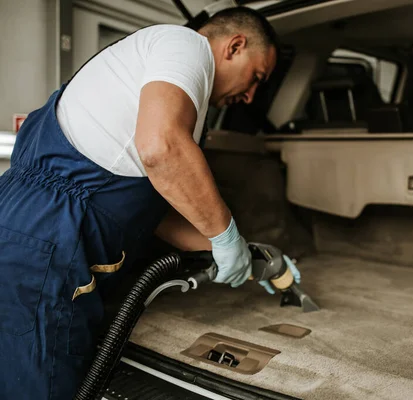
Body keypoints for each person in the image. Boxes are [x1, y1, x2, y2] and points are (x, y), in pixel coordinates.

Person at [0, 6, 298, 399]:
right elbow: (160, 149)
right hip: (44, 246)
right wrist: (224, 235)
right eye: (256, 77)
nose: (250, 96)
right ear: (235, 46)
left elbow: (153, 211)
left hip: (36, 234)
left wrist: (236, 250)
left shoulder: (160, 82)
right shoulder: (185, 45)